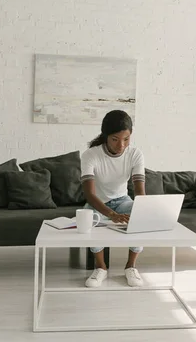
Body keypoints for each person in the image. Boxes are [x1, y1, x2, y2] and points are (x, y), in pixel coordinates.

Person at [80, 110, 146, 288]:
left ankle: (131, 266)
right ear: (106, 136)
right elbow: (90, 194)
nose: (121, 145)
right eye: (115, 139)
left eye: (126, 139)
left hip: (122, 200)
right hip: (98, 202)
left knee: (141, 215)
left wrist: (143, 210)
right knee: (89, 219)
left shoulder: (135, 154)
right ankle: (100, 267)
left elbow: (140, 191)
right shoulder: (90, 155)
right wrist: (111, 214)